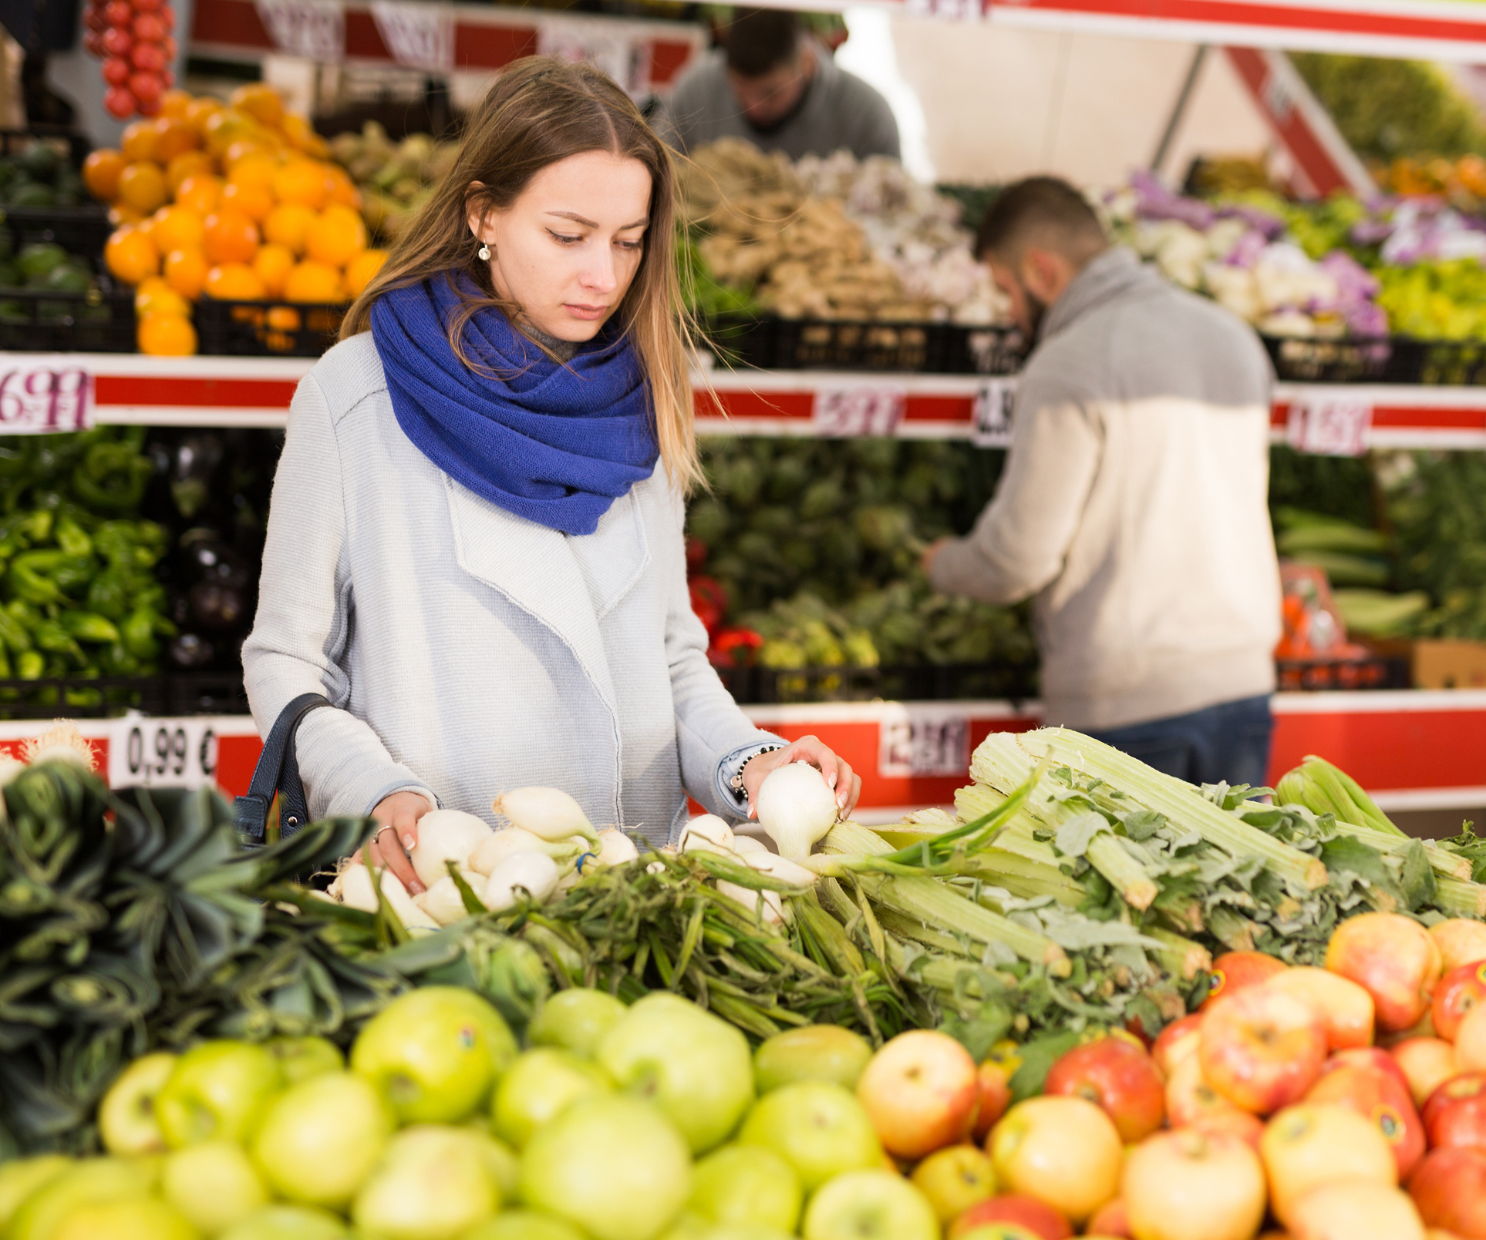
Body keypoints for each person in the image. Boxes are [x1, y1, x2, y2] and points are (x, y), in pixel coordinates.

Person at [242, 58, 862, 894]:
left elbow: (673, 659)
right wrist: (374, 790)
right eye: (568, 236)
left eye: (629, 241)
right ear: (483, 214)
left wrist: (754, 765)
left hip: (629, 900)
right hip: (437, 891)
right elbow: (287, 660)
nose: (603, 277)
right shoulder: (357, 395)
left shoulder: (643, 393)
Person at [922, 177, 1282, 788]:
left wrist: (941, 564)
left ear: (1041, 270)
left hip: (1128, 707)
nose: (1009, 314)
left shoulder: (1070, 360)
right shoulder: (1232, 336)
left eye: (1006, 291)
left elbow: (1018, 558)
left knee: (1127, 885)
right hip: (1244, 690)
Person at [655, 9, 899, 161]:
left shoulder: (867, 117)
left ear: (807, 62)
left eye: (771, 93)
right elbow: (656, 169)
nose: (752, 108)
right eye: (739, 90)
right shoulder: (696, 90)